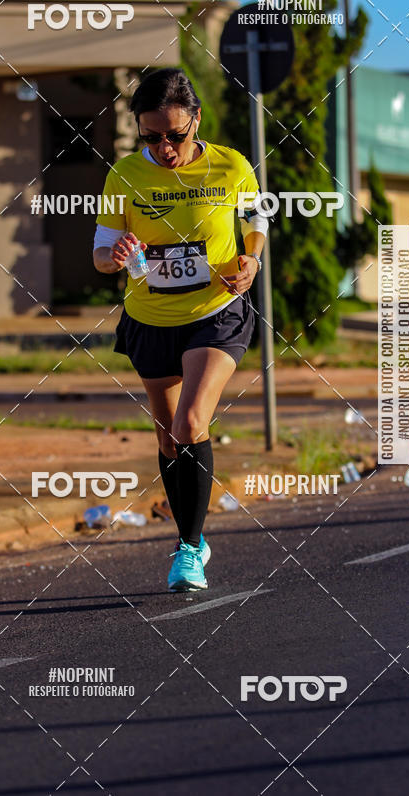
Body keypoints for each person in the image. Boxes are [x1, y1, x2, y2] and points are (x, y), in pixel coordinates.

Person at [93, 67, 267, 592]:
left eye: (175, 135)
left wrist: (251, 262)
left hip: (217, 311)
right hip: (150, 319)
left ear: (196, 120)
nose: (164, 148)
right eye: (151, 137)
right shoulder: (124, 175)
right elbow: (101, 253)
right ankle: (192, 531)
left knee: (192, 422)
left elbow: (258, 220)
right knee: (170, 438)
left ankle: (188, 549)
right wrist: (116, 255)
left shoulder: (231, 166)